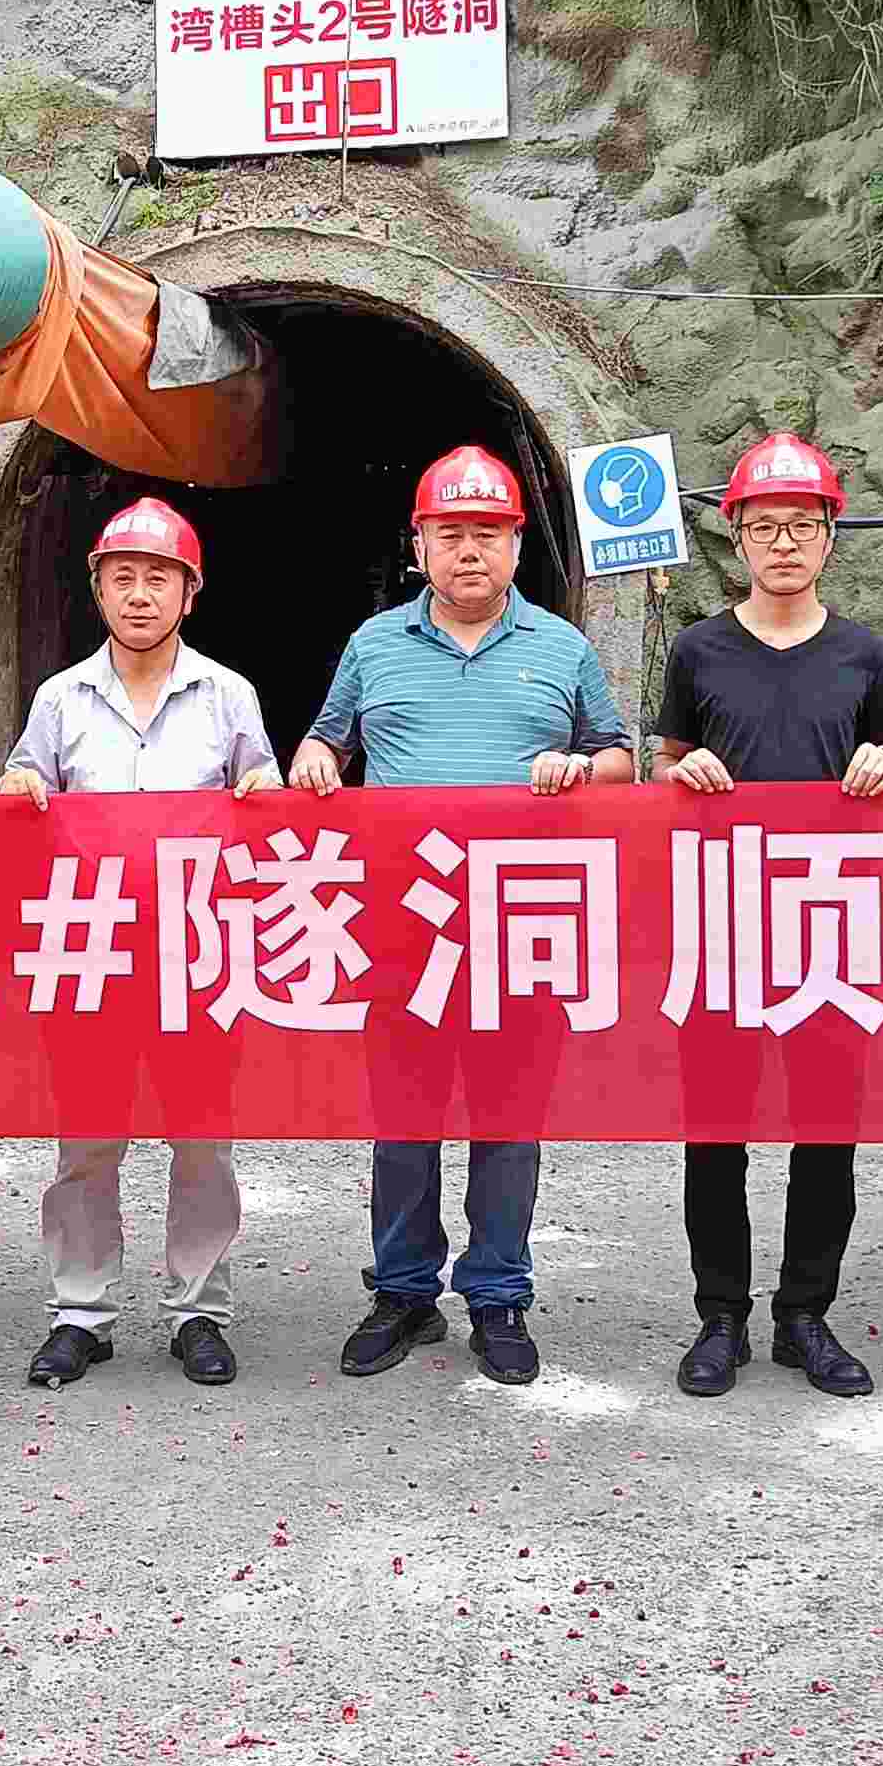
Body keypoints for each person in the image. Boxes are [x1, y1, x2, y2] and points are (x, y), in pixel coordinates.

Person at [290, 444, 634, 1388]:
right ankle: (403, 1292)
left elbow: (621, 760)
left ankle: (499, 1295)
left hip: (520, 925)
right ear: (420, 547)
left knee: (508, 1118)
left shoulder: (561, 648)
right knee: (405, 1119)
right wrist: (315, 759)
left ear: (517, 544)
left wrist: (583, 767)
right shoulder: (374, 645)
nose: (469, 551)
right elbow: (325, 742)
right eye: (450, 535)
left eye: (488, 533)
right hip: (404, 927)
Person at [0, 495, 283, 1390]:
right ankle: (81, 1313)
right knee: (88, 1139)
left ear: (190, 593)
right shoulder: (60, 697)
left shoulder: (229, 694)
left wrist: (270, 792)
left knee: (201, 1139)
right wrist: (17, 786)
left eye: (159, 578)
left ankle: (200, 1311)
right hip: (92, 949)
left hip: (197, 948)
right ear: (98, 590)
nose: (140, 594)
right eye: (122, 577)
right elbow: (24, 783)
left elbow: (264, 802)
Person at [650, 432, 883, 1401]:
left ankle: (805, 1315)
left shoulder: (861, 652)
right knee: (715, 1132)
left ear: (830, 535)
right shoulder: (698, 649)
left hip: (827, 928)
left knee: (826, 1132)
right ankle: (721, 1315)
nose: (784, 543)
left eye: (802, 525)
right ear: (739, 539)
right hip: (721, 925)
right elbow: (666, 765)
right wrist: (686, 772)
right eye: (765, 527)